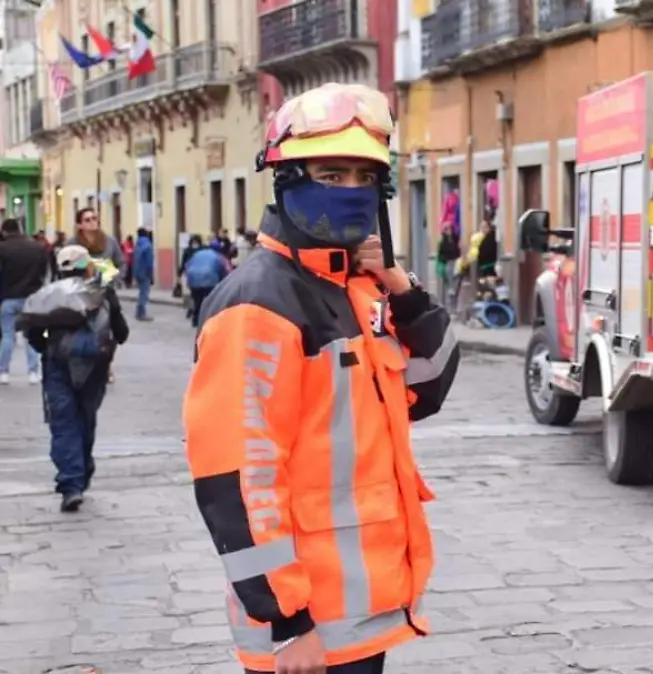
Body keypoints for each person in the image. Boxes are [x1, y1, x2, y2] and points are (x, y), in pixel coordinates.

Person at [182, 82, 460, 674]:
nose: (352, 192)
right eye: (332, 175)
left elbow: (426, 387)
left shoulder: (355, 290)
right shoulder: (258, 305)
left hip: (361, 619)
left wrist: (401, 288)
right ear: (287, 180)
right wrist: (287, 625)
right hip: (307, 635)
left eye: (365, 177)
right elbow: (237, 478)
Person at [23, 245, 129, 512]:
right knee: (85, 417)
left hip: (58, 364)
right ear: (87, 266)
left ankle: (71, 483)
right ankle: (82, 470)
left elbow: (33, 333)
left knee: (63, 421)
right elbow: (122, 332)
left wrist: (46, 349)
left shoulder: (48, 296)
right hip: (95, 366)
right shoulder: (101, 292)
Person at [0, 218, 49, 384]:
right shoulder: (37, 248)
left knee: (7, 336)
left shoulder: (2, 249)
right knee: (31, 335)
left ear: (4, 231)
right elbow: (44, 272)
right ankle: (33, 371)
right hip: (32, 297)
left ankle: (3, 372)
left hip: (8, 297)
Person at [67, 208, 124, 282]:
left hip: (106, 288)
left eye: (94, 218)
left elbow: (121, 264)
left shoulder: (110, 241)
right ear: (79, 225)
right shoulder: (72, 244)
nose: (92, 222)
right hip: (81, 289)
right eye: (87, 220)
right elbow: (66, 269)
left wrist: (114, 277)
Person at [182, 240, 228, 327]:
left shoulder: (197, 254)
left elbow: (187, 265)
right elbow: (223, 270)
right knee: (209, 302)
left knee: (197, 301)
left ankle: (195, 320)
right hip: (209, 280)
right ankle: (206, 320)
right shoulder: (218, 256)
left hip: (193, 280)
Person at [131, 227, 154, 321]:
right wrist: (151, 274)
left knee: (141, 292)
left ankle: (138, 313)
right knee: (144, 293)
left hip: (137, 271)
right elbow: (149, 262)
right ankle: (141, 314)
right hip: (145, 272)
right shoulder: (148, 245)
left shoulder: (137, 245)